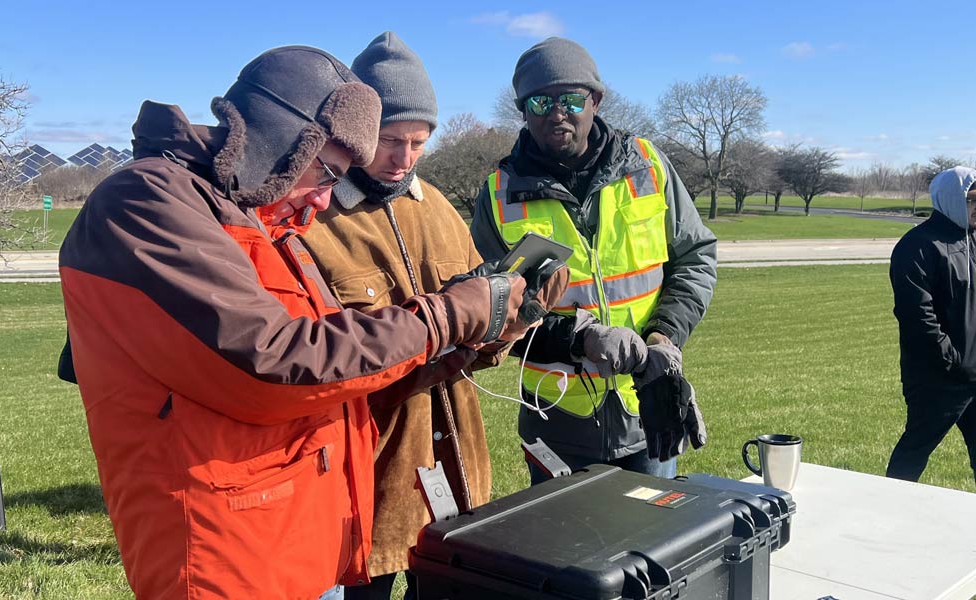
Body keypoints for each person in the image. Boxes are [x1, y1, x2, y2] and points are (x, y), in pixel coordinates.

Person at [58, 46, 567, 600]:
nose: (325, 200)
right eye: (325, 170)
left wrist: (473, 343)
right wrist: (449, 314)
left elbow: (339, 387)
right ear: (283, 134)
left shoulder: (254, 216)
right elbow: (276, 363)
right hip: (223, 561)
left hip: (296, 544)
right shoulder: (145, 203)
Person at [288, 33, 494, 600]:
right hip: (367, 470)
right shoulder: (311, 215)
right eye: (389, 140)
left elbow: (479, 317)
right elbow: (314, 357)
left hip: (455, 467)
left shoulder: (442, 210)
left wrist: (506, 317)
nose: (403, 159)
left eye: (418, 142)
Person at [470, 37, 717, 484]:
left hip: (646, 410)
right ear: (522, 109)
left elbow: (695, 258)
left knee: (655, 545)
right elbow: (487, 316)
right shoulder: (497, 194)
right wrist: (577, 340)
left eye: (571, 99)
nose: (556, 112)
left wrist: (665, 336)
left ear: (596, 101)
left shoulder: (648, 166)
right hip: (555, 423)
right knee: (563, 550)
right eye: (541, 100)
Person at [886, 166, 976, 498]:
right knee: (913, 455)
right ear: (951, 200)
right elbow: (917, 319)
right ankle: (885, 513)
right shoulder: (918, 247)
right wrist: (955, 363)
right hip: (940, 382)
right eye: (973, 201)